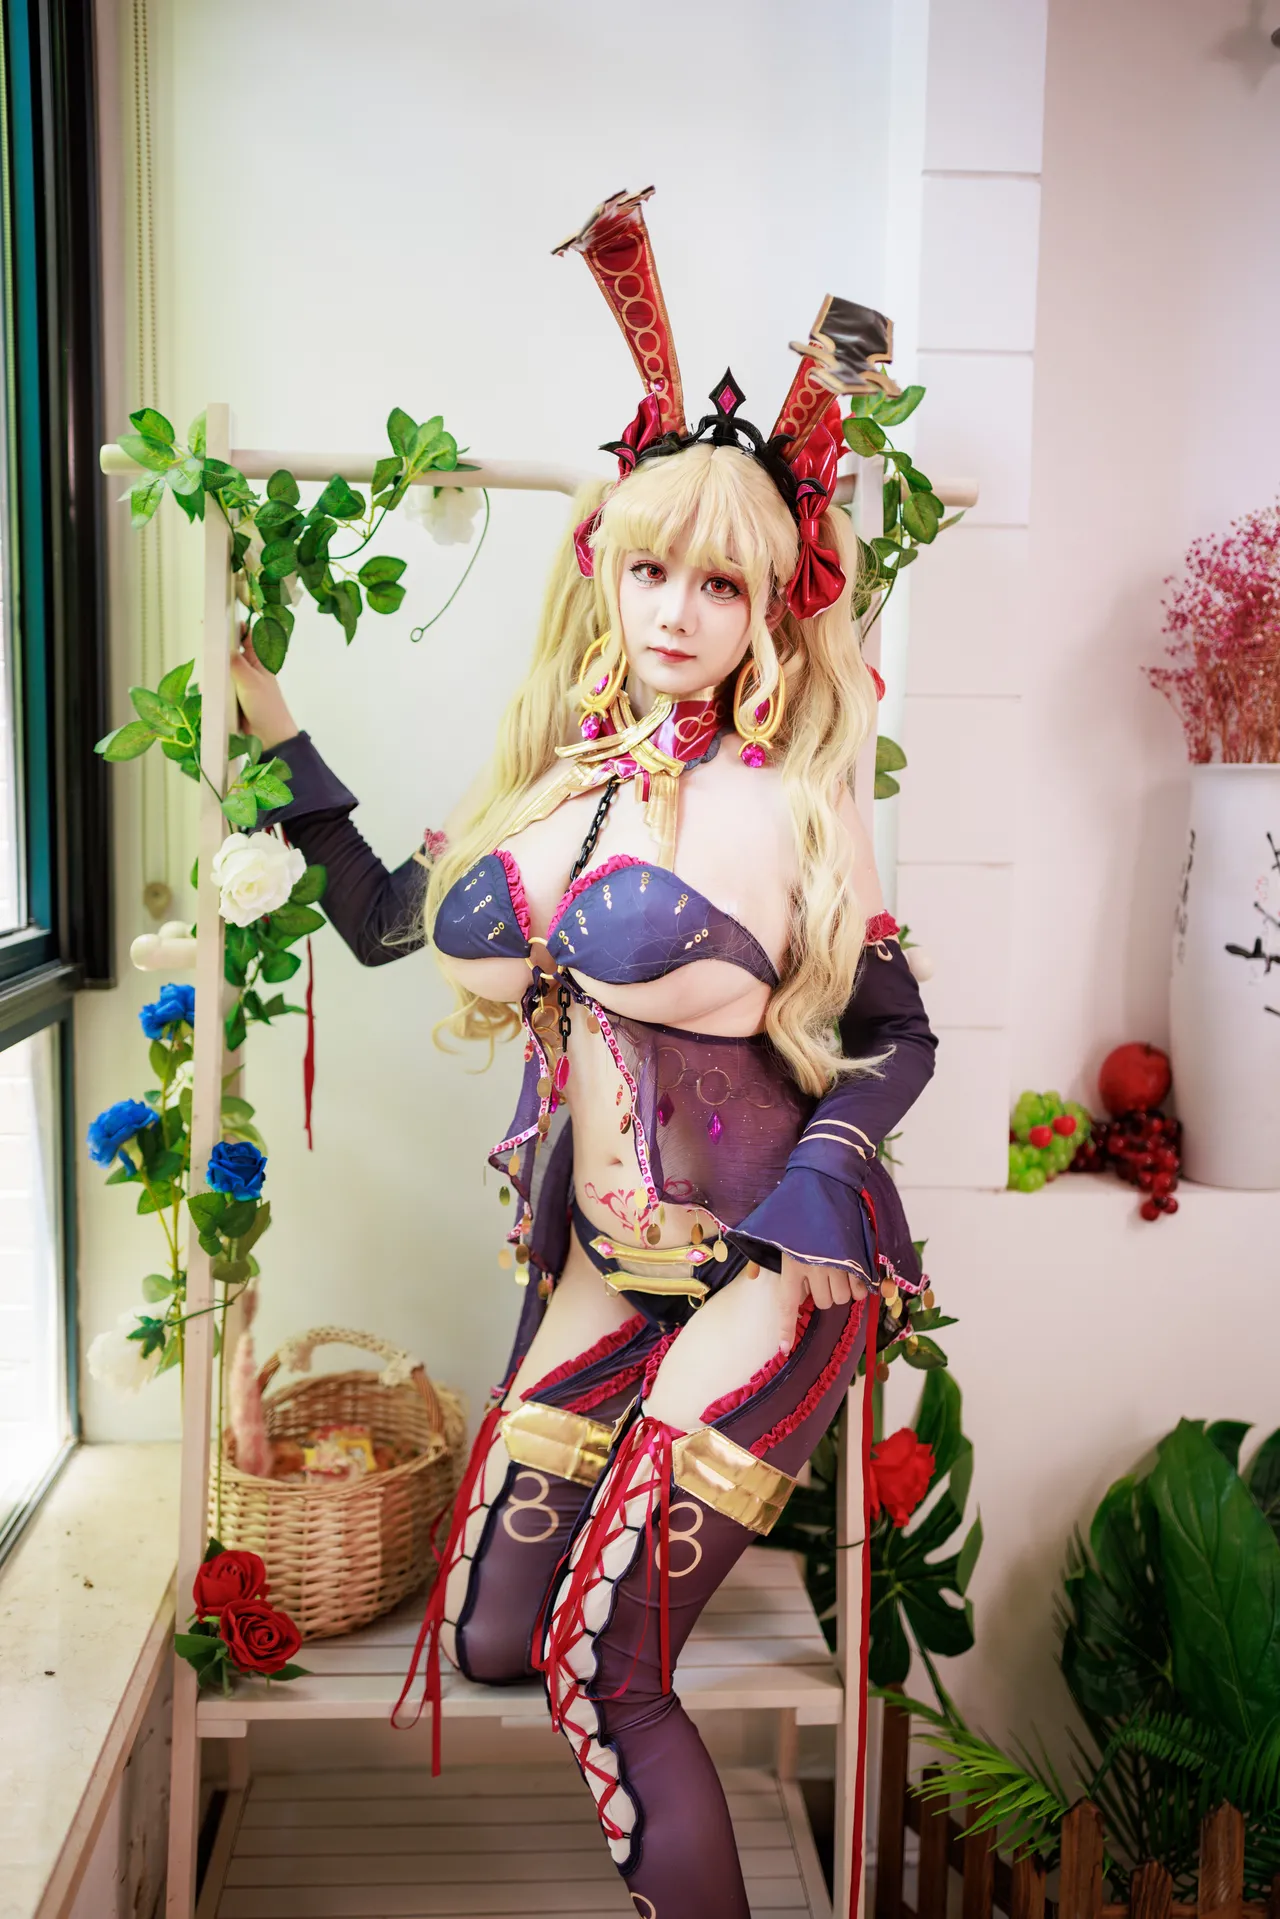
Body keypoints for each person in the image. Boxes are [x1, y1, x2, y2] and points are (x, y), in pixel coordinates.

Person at [233, 187, 938, 1919]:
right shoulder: (561, 783)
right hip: (608, 1268)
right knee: (488, 1637)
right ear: (604, 571)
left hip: (762, 1267)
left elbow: (897, 1035)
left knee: (599, 1670)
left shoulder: (799, 793)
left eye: (722, 580)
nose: (678, 609)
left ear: (769, 602)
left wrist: (821, 1198)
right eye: (650, 567)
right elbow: (389, 917)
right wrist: (265, 714)